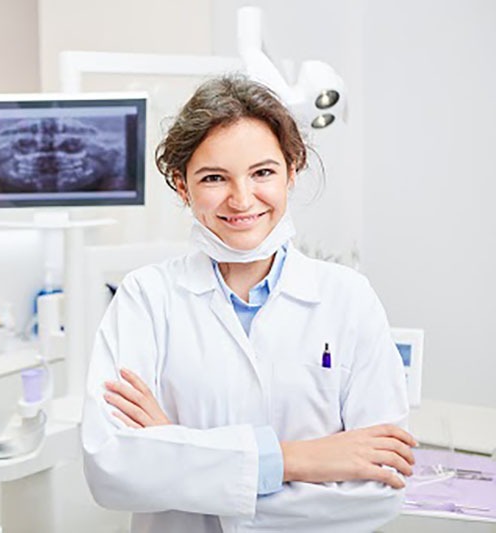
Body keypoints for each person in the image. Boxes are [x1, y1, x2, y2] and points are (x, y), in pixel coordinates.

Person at [80, 75, 416, 533]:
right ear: (182, 186)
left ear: (291, 171)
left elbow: (381, 489)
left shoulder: (348, 298)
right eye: (214, 178)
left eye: (262, 173)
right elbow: (112, 468)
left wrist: (178, 453)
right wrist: (298, 459)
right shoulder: (146, 297)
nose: (242, 199)